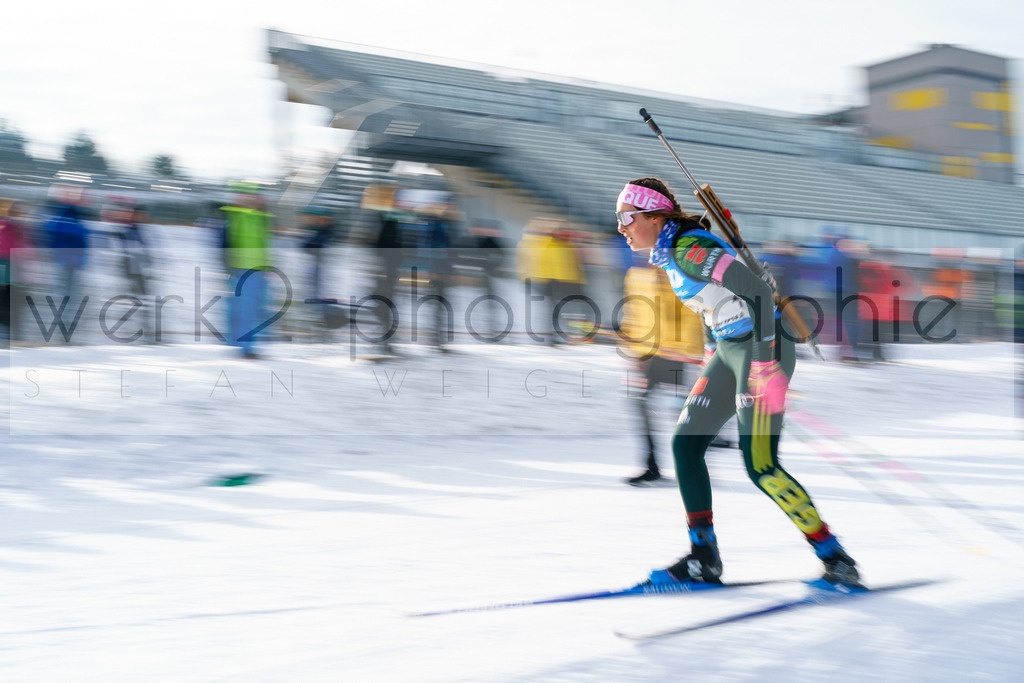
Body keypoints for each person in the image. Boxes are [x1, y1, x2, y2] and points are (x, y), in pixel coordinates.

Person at [615, 177, 859, 586]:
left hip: (763, 349)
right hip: (731, 351)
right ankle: (703, 558)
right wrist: (712, 353)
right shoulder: (672, 250)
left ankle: (835, 558)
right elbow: (714, 305)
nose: (621, 227)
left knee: (760, 465)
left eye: (627, 217)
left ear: (655, 217)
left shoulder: (690, 249)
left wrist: (764, 366)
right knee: (686, 444)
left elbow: (759, 294)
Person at [618, 254, 705, 485]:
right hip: (647, 354)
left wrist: (686, 350)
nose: (646, 259)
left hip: (675, 354)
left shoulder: (679, 278)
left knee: (680, 411)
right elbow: (632, 315)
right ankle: (651, 465)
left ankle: (692, 462)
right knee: (638, 402)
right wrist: (631, 351)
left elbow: (691, 316)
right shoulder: (635, 276)